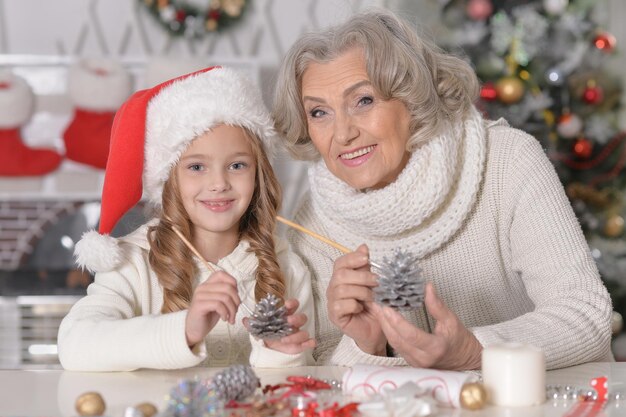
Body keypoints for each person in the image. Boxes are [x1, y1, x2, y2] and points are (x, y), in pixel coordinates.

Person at [272, 9, 613, 370]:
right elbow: (323, 370)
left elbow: (586, 315)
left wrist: (475, 351)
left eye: (364, 100)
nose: (342, 134)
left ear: (412, 98)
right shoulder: (315, 218)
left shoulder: (508, 161)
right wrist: (368, 344)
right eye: (320, 113)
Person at [58, 67, 315, 371]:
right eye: (196, 167)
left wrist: (280, 353)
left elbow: (296, 384)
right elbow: (76, 345)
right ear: (169, 179)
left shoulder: (287, 267)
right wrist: (185, 330)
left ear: (259, 175)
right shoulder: (134, 263)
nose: (219, 183)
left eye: (237, 165)